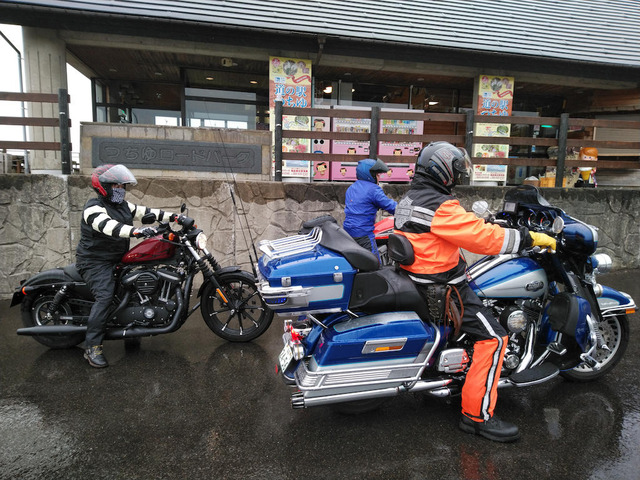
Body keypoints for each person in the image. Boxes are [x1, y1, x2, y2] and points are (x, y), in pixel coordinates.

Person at [393, 142, 556, 442]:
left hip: (419, 279)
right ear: (441, 170)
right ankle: (477, 417)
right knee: (495, 338)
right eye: (456, 171)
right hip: (443, 290)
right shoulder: (440, 205)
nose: (457, 176)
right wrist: (527, 236)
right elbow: (481, 239)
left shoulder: (414, 197)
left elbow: (453, 226)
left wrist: (477, 220)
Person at [76, 164, 178, 368]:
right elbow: (110, 227)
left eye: (122, 185)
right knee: (105, 296)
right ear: (103, 187)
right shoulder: (94, 208)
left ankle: (134, 328)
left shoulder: (123, 206)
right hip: (94, 262)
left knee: (135, 287)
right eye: (116, 185)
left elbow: (147, 211)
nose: (120, 188)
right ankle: (92, 347)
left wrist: (176, 217)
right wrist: (137, 232)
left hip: (117, 258)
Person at [343, 158, 397, 260]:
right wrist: (403, 209)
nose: (379, 178)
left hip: (348, 232)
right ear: (370, 175)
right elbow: (390, 206)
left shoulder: (351, 188)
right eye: (377, 175)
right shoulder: (374, 190)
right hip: (363, 234)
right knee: (374, 264)